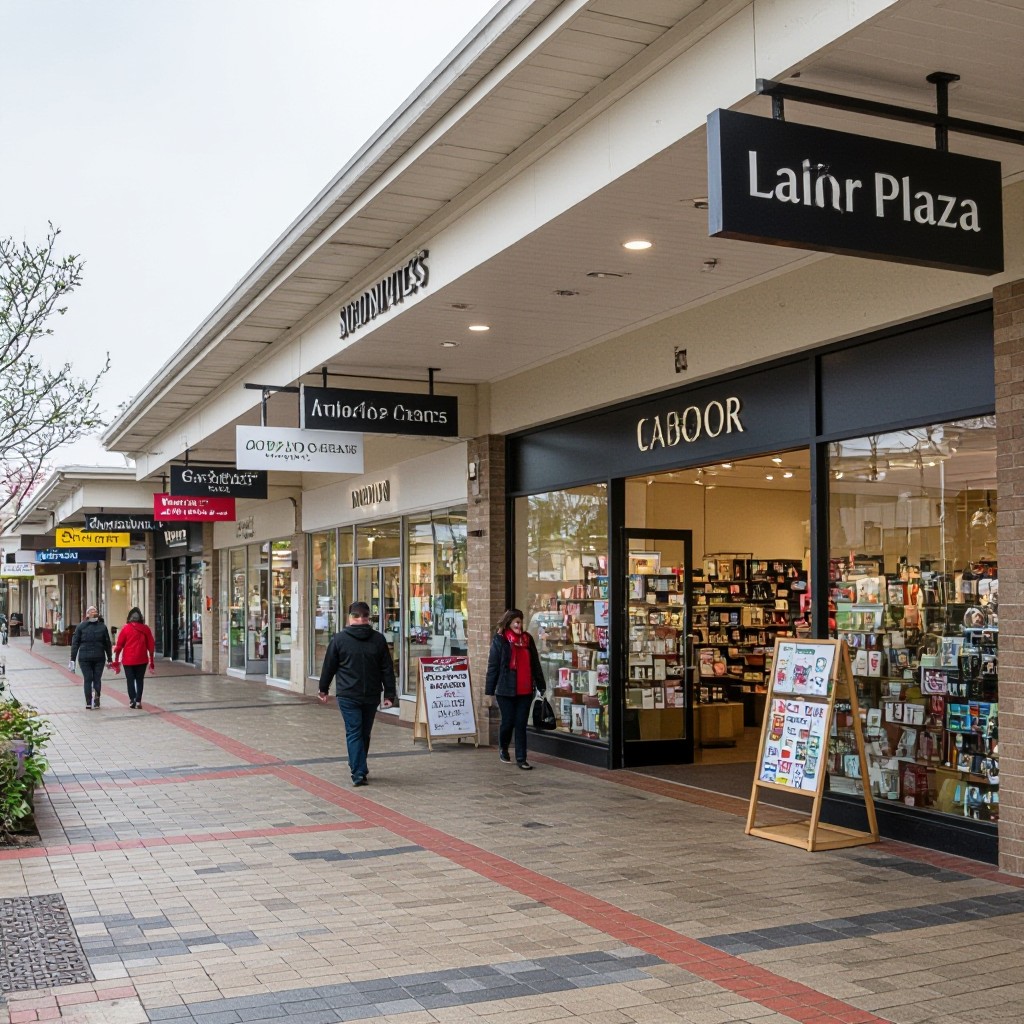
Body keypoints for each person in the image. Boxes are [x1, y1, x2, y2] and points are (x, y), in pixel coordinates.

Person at [317, 601, 397, 786]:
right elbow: (387, 668)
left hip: (347, 694)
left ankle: (358, 769)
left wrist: (323, 689)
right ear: (368, 618)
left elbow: (329, 666)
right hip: (371, 694)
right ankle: (359, 767)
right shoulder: (378, 639)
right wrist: (389, 694)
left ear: (350, 617)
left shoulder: (339, 639)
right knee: (364, 733)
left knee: (354, 732)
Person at [485, 608, 546, 770]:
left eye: (521, 622)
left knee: (521, 724)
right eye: (516, 622)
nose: (519, 625)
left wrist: (541, 684)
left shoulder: (527, 639)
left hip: (525, 690)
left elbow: (535, 664)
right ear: (509, 623)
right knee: (508, 721)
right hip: (506, 690)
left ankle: (521, 758)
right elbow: (493, 667)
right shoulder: (500, 640)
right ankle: (503, 747)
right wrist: (489, 692)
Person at [69, 606, 113, 710]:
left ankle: (89, 702)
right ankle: (96, 701)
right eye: (93, 611)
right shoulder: (102, 627)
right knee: (96, 679)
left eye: (95, 611)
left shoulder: (81, 626)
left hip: (85, 657)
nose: (94, 613)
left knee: (88, 679)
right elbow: (107, 643)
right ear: (87, 614)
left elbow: (75, 644)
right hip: (98, 656)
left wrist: (73, 659)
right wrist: (109, 658)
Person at [112, 607, 156, 709]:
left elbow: (119, 646)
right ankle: (138, 700)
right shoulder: (145, 629)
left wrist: (116, 659)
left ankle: (132, 700)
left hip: (128, 660)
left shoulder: (125, 628)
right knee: (140, 680)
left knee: (130, 680)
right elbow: (151, 646)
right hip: (142, 659)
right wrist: (151, 661)